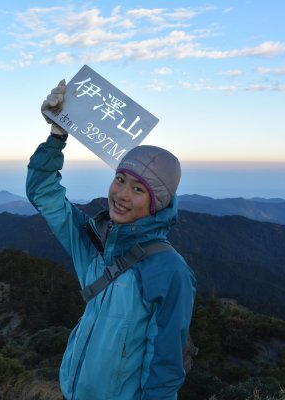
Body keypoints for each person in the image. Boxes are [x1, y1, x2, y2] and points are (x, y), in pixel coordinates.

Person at [26, 80, 196, 399]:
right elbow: (42, 193)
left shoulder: (169, 270)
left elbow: (165, 366)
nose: (120, 195)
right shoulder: (95, 244)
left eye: (138, 189)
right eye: (120, 179)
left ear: (156, 202)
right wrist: (57, 135)